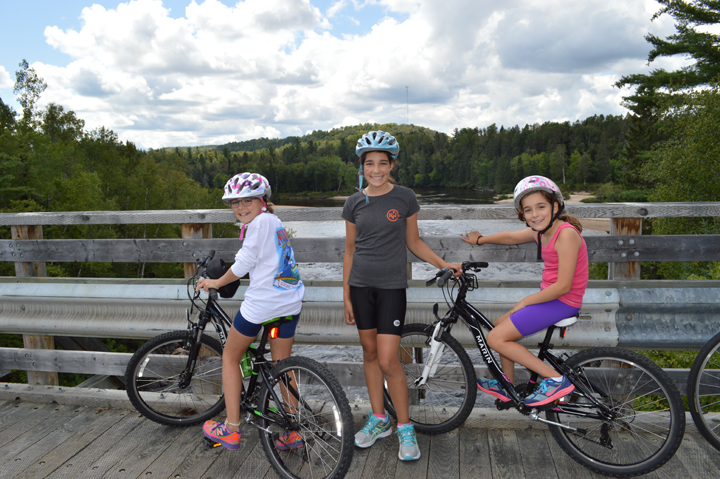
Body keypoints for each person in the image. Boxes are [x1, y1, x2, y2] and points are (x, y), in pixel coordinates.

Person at [342, 130, 462, 461]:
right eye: (370, 164)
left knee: (388, 360)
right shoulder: (354, 203)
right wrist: (346, 294)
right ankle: (379, 419)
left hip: (392, 289)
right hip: (360, 287)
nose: (376, 170)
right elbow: (350, 251)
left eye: (383, 163)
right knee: (368, 354)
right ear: (362, 166)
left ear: (392, 164)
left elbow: (415, 242)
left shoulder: (405, 197)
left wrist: (443, 263)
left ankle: (405, 427)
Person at [197, 172, 305, 450]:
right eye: (234, 203)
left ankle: (231, 429)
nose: (240, 208)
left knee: (230, 358)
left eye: (247, 201)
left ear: (262, 201)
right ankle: (293, 429)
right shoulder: (274, 221)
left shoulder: (258, 224)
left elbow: (245, 262)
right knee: (283, 367)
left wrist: (216, 282)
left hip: (262, 305)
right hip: (289, 302)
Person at [462, 175, 588, 407]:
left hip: (563, 301)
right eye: (528, 210)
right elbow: (510, 237)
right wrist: (480, 240)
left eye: (541, 207)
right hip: (553, 300)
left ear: (555, 206)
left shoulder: (566, 234)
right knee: (499, 326)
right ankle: (507, 385)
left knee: (495, 338)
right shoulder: (541, 232)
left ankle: (555, 380)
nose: (535, 214)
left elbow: (563, 286)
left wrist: (526, 302)